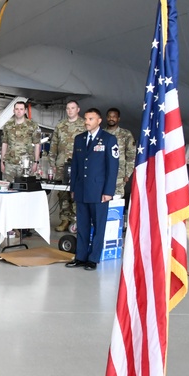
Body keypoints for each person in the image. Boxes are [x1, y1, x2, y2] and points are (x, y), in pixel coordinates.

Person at [67, 108, 119, 271]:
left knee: (98, 225)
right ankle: (80, 256)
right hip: (82, 189)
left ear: (99, 121)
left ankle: (93, 258)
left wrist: (108, 191)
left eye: (90, 119)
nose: (86, 122)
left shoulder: (109, 140)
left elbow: (113, 168)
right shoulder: (79, 139)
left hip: (99, 191)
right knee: (82, 225)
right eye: (86, 119)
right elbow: (75, 165)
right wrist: (74, 188)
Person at [48, 100, 86, 230]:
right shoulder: (60, 125)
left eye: (73, 108)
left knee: (76, 192)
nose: (70, 111)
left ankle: (76, 219)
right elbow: (54, 145)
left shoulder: (84, 125)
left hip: (79, 164)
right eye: (68, 108)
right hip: (61, 164)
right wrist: (52, 162)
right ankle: (64, 219)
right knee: (63, 193)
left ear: (78, 109)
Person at [0, 101, 41, 182]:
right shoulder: (8, 125)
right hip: (10, 164)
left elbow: (37, 145)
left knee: (25, 189)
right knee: (8, 187)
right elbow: (4, 143)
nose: (19, 111)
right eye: (17, 109)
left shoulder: (32, 125)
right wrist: (2, 161)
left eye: (21, 109)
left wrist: (36, 162)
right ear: (13, 111)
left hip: (26, 163)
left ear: (25, 111)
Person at [104, 108, 136, 201]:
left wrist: (128, 173)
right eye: (109, 116)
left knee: (116, 202)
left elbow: (131, 155)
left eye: (114, 117)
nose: (111, 119)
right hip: (101, 174)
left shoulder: (126, 134)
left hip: (119, 175)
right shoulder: (101, 134)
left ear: (118, 119)